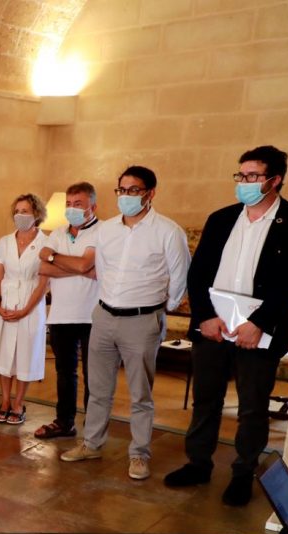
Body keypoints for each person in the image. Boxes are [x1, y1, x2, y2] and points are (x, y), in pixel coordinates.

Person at [164, 146, 288, 506]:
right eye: (241, 175)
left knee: (253, 406)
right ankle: (198, 463)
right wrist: (204, 317)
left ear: (275, 180)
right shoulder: (222, 218)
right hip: (215, 326)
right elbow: (199, 273)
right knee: (206, 399)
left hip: (259, 331)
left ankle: (242, 472)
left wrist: (258, 323)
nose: (244, 182)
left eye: (253, 176)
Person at [61, 166, 190, 480]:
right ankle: (91, 444)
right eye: (122, 190)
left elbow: (180, 277)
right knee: (99, 389)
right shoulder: (107, 229)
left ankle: (139, 454)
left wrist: (161, 309)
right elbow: (102, 269)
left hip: (142, 319)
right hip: (104, 316)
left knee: (140, 394)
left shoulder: (168, 231)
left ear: (150, 193)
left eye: (134, 190)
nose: (127, 196)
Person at [34, 182, 101, 439]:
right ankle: (64, 422)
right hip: (62, 314)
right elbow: (43, 267)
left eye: (79, 204)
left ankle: (93, 428)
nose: (72, 209)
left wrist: (55, 258)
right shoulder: (58, 233)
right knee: (65, 372)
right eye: (69, 204)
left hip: (92, 315)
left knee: (93, 375)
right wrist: (79, 268)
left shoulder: (102, 231)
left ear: (92, 207)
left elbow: (87, 263)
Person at [0, 194, 50, 424]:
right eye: (17, 211)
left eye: (25, 211)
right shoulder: (5, 241)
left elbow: (44, 282)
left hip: (30, 303)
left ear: (36, 214)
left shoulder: (46, 243)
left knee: (24, 354)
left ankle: (19, 403)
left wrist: (27, 308)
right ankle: (5, 400)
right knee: (4, 352)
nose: (20, 215)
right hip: (5, 302)